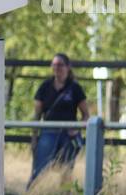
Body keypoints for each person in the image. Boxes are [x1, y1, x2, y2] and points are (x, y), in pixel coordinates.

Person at [29, 53, 89, 187]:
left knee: (66, 169)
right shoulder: (45, 87)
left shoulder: (75, 88)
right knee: (39, 168)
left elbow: (86, 115)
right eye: (54, 64)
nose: (57, 68)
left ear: (68, 67)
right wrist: (34, 137)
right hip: (48, 132)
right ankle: (30, 194)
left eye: (60, 64)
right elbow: (37, 115)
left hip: (68, 134)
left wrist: (76, 128)